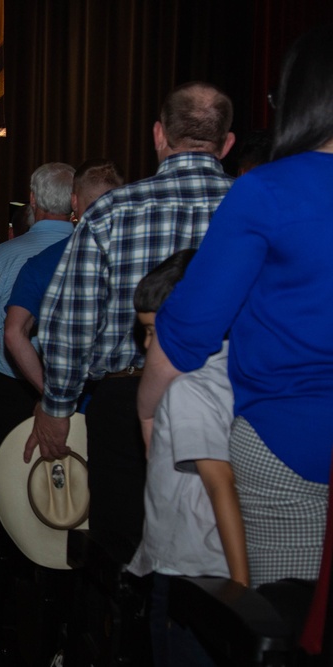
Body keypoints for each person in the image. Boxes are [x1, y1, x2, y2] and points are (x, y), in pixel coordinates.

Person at [141, 26, 333, 588]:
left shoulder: (268, 191)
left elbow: (186, 332)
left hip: (288, 444)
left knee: (285, 622)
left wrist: (149, 409)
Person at [27, 81, 236, 558]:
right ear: (226, 144)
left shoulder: (111, 213)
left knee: (118, 554)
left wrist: (58, 407)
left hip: (125, 399)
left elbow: (70, 324)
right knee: (218, 552)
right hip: (233, 399)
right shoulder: (258, 209)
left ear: (159, 136)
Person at [126, 250, 246, 667]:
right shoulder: (235, 367)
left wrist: (240, 594)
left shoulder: (187, 391)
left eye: (152, 333)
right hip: (202, 562)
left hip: (189, 568)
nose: (145, 346)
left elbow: (220, 483)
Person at [0, 162, 76, 471]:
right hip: (77, 387)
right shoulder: (97, 248)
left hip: (14, 387)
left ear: (33, 201)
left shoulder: (5, 255)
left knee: (11, 483)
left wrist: (16, 360)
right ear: (75, 199)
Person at [4, 160, 123, 393]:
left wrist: (48, 392)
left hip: (73, 393)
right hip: (135, 393)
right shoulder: (146, 253)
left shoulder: (46, 262)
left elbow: (13, 332)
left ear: (74, 202)